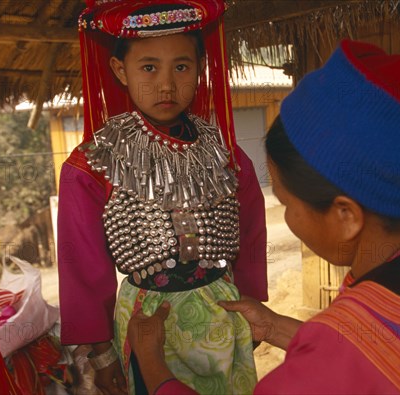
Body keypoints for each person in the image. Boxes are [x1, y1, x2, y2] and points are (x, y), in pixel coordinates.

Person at [127, 39, 400, 394]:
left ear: (345, 216)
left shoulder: (324, 369)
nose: (286, 218)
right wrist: (278, 329)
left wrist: (153, 366)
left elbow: (348, 361)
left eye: (287, 204)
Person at [57, 1, 268, 394]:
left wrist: (254, 307)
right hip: (146, 325)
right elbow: (83, 268)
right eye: (149, 67)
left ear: (202, 66)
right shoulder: (93, 164)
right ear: (120, 70)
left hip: (224, 317)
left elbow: (252, 235)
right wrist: (100, 354)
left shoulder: (225, 155)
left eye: (182, 67)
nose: (167, 84)